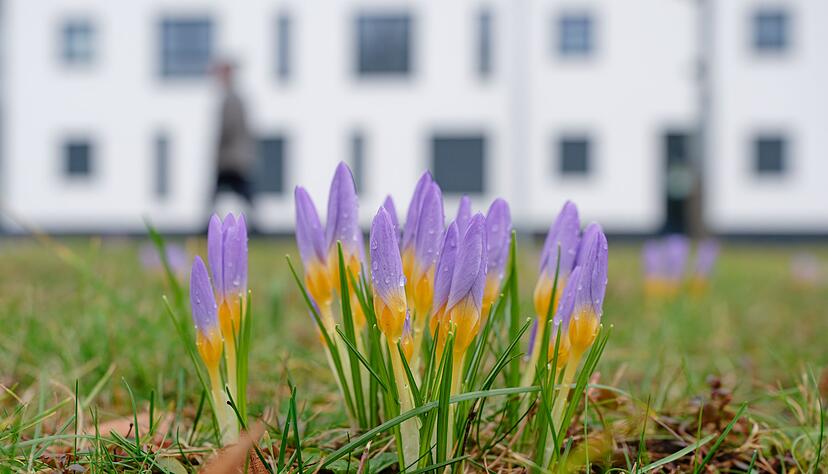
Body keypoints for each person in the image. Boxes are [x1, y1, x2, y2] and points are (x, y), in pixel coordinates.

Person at [213, 60, 255, 206]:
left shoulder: (231, 99)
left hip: (231, 158)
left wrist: (218, 152)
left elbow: (229, 128)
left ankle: (207, 223)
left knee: (242, 190)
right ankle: (208, 222)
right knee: (242, 191)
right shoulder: (233, 97)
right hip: (235, 157)